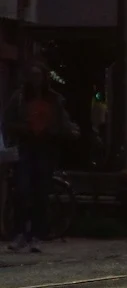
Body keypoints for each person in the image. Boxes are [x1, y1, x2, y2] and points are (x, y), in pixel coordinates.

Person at [3, 61, 75, 253]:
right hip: (26, 147)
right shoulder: (19, 98)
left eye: (39, 76)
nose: (35, 80)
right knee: (22, 189)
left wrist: (57, 131)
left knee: (40, 192)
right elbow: (8, 121)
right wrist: (23, 129)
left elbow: (64, 124)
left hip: (46, 149)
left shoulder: (54, 100)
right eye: (32, 76)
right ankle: (20, 233)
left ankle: (36, 235)